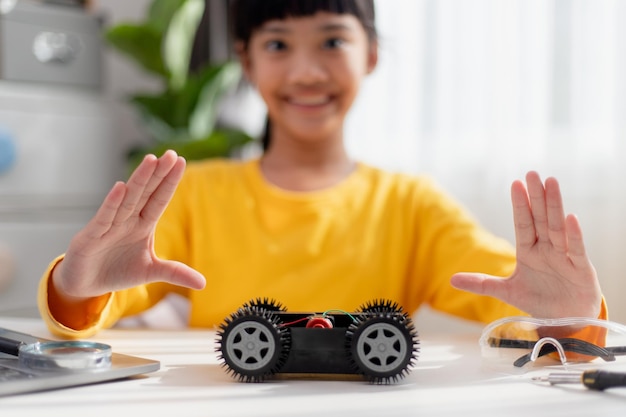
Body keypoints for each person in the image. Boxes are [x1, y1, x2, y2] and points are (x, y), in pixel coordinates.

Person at [37, 0, 605, 339]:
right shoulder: (199, 193)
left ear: (371, 54)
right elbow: (99, 303)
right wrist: (76, 287)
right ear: (246, 61)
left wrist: (569, 316)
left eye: (332, 40)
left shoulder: (412, 205)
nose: (306, 72)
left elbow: (507, 291)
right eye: (279, 44)